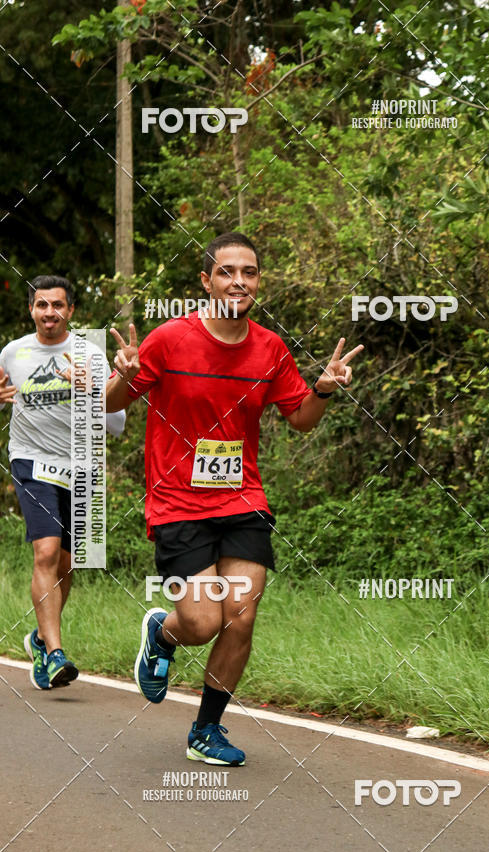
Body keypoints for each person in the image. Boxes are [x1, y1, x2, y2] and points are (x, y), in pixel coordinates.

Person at [106, 232, 363, 766]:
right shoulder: (168, 340)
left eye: (248, 272)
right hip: (176, 502)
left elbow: (300, 422)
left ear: (258, 281)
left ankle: (206, 729)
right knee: (201, 624)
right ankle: (164, 631)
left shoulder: (269, 347)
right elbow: (115, 401)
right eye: (226, 271)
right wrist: (122, 378)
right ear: (206, 280)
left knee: (240, 614)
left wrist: (324, 391)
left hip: (242, 497)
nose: (238, 281)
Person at [0, 275, 126, 690]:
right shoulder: (12, 352)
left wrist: (93, 391)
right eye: (41, 305)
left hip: (81, 465)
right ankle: (55, 654)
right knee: (46, 551)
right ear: (31, 310)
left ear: (71, 310)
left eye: (57, 305)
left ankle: (38, 638)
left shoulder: (90, 355)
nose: (49, 313)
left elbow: (117, 425)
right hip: (31, 461)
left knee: (68, 564)